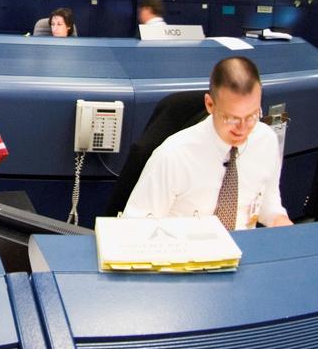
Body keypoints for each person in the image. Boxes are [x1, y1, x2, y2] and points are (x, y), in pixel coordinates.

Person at [123, 57, 292, 230]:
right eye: (231, 118)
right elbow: (135, 226)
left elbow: (268, 205)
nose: (242, 128)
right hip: (185, 252)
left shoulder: (266, 140)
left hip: (245, 248)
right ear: (210, 104)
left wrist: (282, 222)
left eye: (252, 116)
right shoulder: (173, 155)